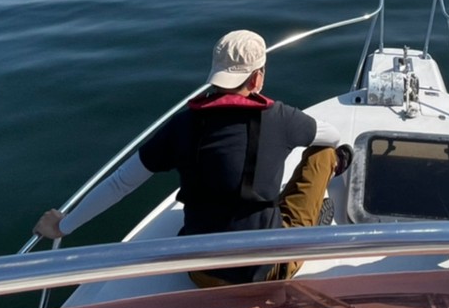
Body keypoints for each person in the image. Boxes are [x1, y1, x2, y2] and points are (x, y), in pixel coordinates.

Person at [34, 29, 346, 286]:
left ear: (215, 74)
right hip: (264, 273)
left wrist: (63, 226)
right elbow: (330, 135)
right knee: (325, 153)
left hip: (200, 271)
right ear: (257, 79)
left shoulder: (182, 126)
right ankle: (318, 207)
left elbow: (120, 184)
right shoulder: (281, 118)